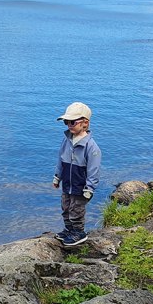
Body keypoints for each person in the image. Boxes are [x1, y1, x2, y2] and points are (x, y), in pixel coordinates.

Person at [53, 102, 101, 246]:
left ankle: (78, 232)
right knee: (66, 207)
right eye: (66, 122)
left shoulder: (91, 146)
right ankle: (69, 229)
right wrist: (57, 176)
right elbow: (60, 159)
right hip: (67, 182)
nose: (69, 125)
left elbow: (94, 169)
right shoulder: (67, 140)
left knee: (76, 209)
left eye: (72, 122)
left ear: (85, 123)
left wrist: (90, 188)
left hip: (81, 185)